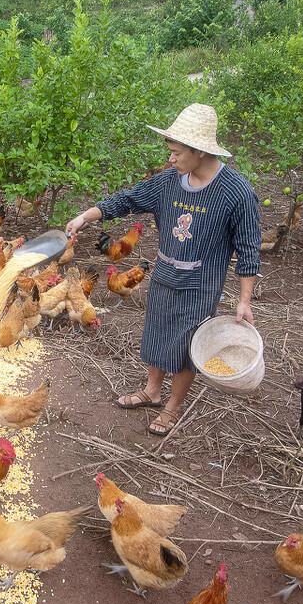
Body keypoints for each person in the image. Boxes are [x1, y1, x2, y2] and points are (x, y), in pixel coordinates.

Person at [66, 103, 261, 436]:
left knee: (186, 346)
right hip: (165, 275)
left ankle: (172, 407)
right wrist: (87, 216)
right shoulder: (170, 182)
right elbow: (128, 198)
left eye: (176, 152)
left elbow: (248, 249)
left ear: (199, 151)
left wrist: (245, 300)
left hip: (200, 285)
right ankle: (152, 391)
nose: (171, 159)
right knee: (157, 333)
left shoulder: (236, 193)